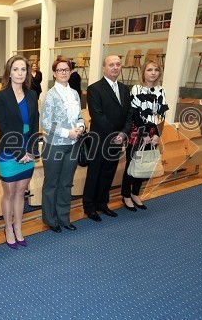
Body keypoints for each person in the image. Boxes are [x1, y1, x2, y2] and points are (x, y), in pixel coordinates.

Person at [0, 55, 39, 249]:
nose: (20, 73)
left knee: (21, 192)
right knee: (9, 193)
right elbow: (3, 127)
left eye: (23, 69)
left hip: (28, 147)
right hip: (9, 150)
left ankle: (18, 227)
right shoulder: (1, 96)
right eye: (16, 69)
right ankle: (8, 228)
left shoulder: (32, 94)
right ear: (9, 72)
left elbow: (35, 124)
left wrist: (32, 150)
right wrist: (19, 152)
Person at [82, 55, 133, 222]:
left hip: (117, 140)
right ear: (104, 68)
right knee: (95, 173)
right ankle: (89, 207)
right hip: (101, 139)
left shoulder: (125, 89)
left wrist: (123, 133)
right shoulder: (95, 88)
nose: (115, 67)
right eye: (111, 64)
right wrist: (114, 134)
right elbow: (97, 116)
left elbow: (129, 115)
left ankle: (102, 203)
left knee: (108, 173)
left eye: (118, 64)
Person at [40, 57, 84, 233]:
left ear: (70, 71)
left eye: (66, 69)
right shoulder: (50, 95)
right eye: (60, 70)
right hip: (55, 145)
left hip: (73, 144)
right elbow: (46, 123)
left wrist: (81, 127)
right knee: (52, 183)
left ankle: (64, 217)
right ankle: (51, 220)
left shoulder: (74, 93)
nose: (64, 72)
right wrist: (67, 133)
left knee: (66, 183)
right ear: (54, 73)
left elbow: (79, 115)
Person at [121, 60, 168, 211]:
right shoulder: (136, 89)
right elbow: (133, 112)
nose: (153, 72)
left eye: (156, 70)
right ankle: (126, 196)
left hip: (153, 132)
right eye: (149, 70)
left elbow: (162, 114)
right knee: (132, 164)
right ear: (143, 72)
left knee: (145, 164)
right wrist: (144, 133)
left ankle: (136, 193)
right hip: (137, 131)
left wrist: (158, 134)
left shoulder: (161, 90)